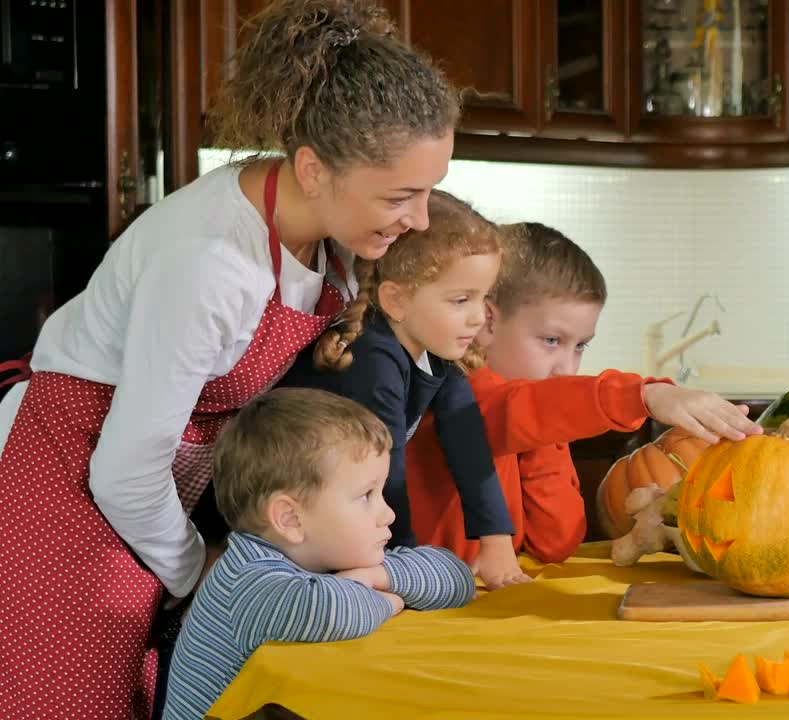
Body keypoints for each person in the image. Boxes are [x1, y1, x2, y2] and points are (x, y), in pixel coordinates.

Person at [0, 1, 458, 716]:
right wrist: (196, 569)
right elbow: (123, 470)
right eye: (401, 195)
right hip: (70, 486)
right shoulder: (209, 263)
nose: (421, 219)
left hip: (148, 496)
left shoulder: (328, 240)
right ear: (313, 169)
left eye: (429, 190)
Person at [406, 222, 760, 563]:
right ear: (487, 320)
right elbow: (515, 410)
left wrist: (541, 443)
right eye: (551, 341)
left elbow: (555, 543)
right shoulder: (454, 392)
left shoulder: (531, 415)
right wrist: (643, 395)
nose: (566, 367)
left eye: (580, 347)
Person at [162, 388, 476, 720]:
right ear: (290, 519)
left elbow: (457, 577)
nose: (388, 514)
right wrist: (390, 600)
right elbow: (327, 611)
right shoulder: (247, 580)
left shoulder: (326, 557)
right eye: (366, 495)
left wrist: (377, 576)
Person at [280, 191, 529, 590]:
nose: (478, 316)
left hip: (331, 514)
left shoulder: (435, 353)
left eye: (484, 298)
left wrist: (497, 541)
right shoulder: (374, 362)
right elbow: (386, 477)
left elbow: (468, 443)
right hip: (286, 526)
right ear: (396, 299)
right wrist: (404, 571)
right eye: (461, 299)